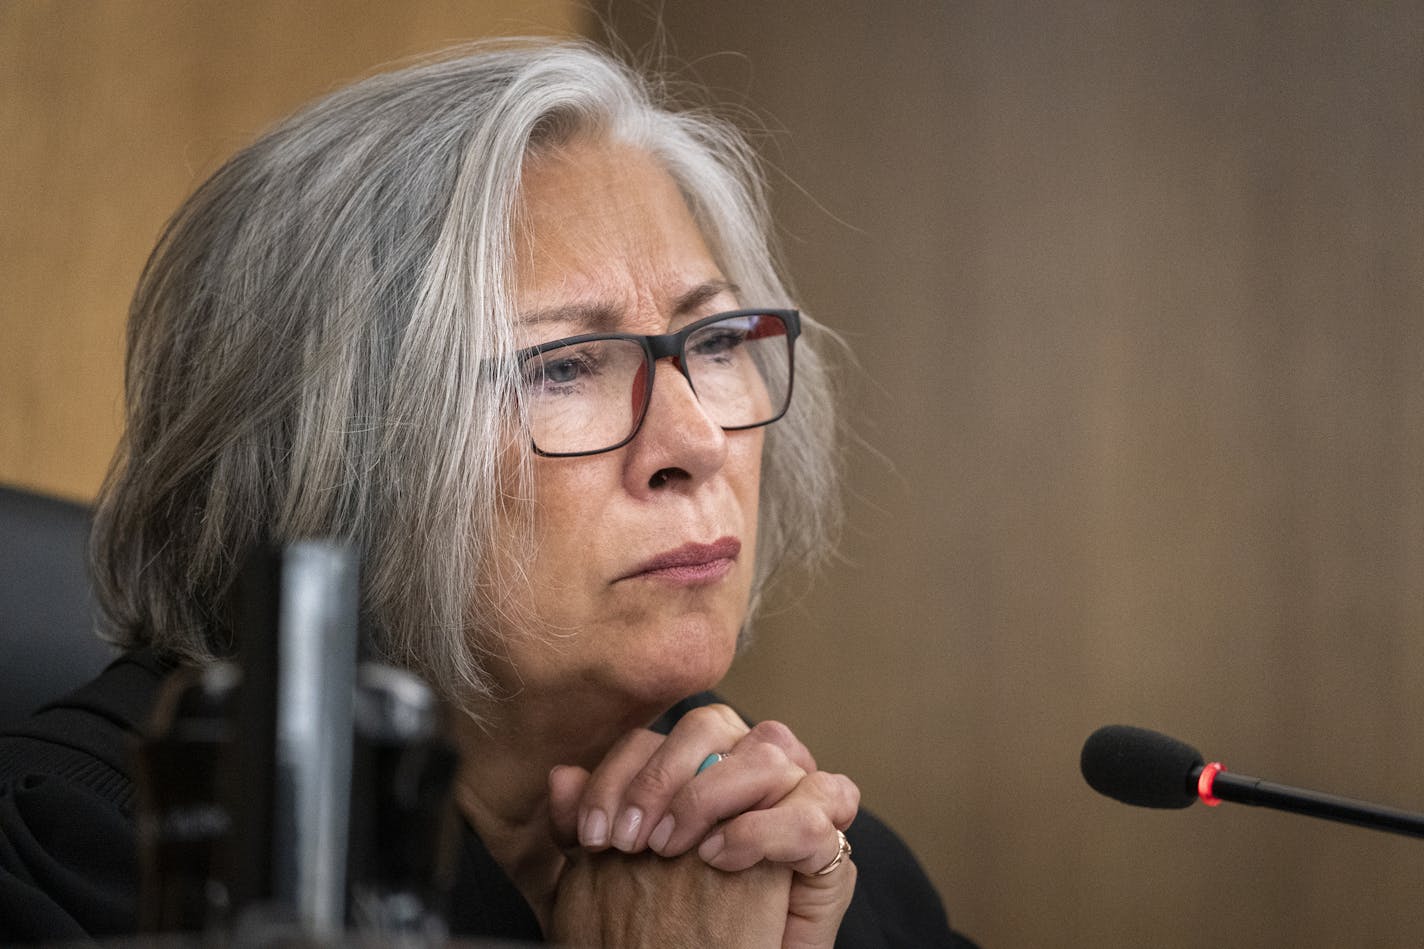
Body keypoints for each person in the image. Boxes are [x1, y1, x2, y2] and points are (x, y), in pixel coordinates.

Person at [0, 39, 976, 947]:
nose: (694, 442)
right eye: (560, 369)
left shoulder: (801, 853)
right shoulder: (77, 862)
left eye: (715, 343)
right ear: (329, 445)